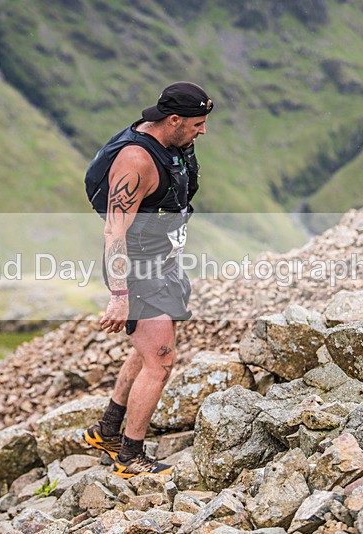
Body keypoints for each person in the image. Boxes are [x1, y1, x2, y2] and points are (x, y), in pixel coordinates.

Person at [83, 82, 213, 478]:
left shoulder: (174, 141)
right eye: (197, 124)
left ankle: (107, 430)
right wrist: (120, 296)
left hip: (163, 261)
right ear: (173, 120)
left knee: (148, 350)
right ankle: (130, 456)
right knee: (160, 361)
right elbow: (114, 233)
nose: (202, 131)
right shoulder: (136, 161)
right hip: (137, 268)